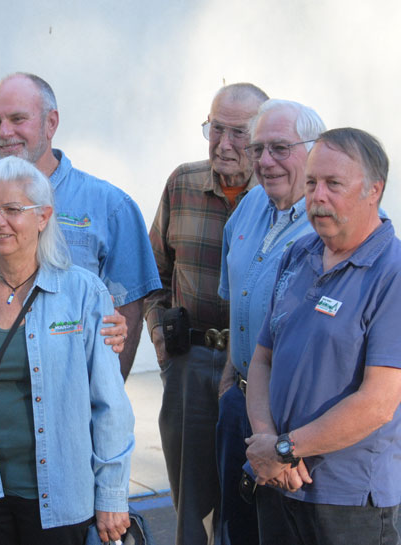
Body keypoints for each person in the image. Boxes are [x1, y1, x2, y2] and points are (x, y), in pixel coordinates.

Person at [0, 156, 135, 545]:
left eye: (12, 209)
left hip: (63, 496)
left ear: (43, 216)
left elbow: (110, 405)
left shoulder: (83, 293)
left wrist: (112, 493)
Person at [0, 73, 160, 379]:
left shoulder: (110, 207)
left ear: (51, 123)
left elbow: (127, 315)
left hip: (70, 396)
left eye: (18, 119)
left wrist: (102, 405)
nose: (4, 133)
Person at [245, 128, 401, 545]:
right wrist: (266, 441)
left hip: (347, 501)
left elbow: (378, 403)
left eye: (334, 184)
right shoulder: (299, 254)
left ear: (374, 191)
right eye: (312, 183)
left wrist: (283, 450)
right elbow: (262, 359)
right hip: (279, 482)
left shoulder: (392, 273)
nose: (317, 196)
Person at [145, 82, 268, 545]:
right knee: (190, 507)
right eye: (216, 129)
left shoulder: (278, 198)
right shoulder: (182, 184)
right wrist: (161, 339)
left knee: (248, 495)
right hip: (190, 361)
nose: (224, 144)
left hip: (254, 367)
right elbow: (151, 273)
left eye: (239, 133)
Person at [216, 99, 325, 545]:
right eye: (258, 148)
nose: (264, 161)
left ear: (315, 150)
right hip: (238, 404)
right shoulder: (250, 205)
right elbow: (236, 303)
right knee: (235, 531)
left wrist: (289, 439)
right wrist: (227, 380)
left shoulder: (331, 223)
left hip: (295, 425)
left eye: (280, 148)